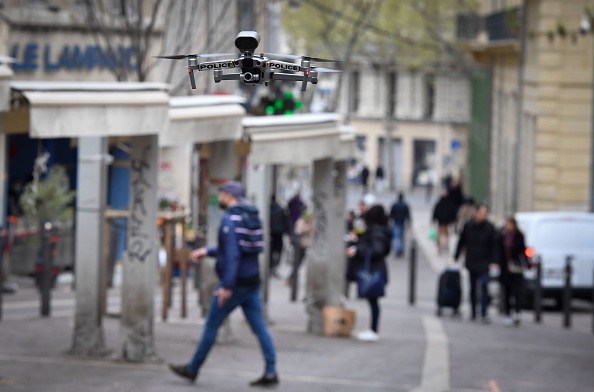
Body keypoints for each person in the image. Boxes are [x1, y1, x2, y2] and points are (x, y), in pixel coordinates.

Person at [168, 181, 279, 387]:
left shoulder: (230, 219)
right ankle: (271, 371)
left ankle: (193, 368)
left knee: (211, 324)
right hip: (252, 281)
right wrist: (208, 251)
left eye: (221, 194)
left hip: (235, 284)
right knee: (260, 327)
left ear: (228, 196)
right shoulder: (251, 215)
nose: (219, 198)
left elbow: (233, 254)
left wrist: (227, 286)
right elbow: (237, 248)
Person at [346, 205, 391, 341]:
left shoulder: (376, 231)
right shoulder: (379, 230)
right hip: (376, 269)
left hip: (373, 270)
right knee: (373, 300)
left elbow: (376, 250)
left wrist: (359, 249)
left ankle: (373, 330)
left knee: (373, 300)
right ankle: (373, 329)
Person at [453, 204, 497, 324]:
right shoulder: (468, 225)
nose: (483, 216)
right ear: (476, 213)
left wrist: (494, 261)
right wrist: (456, 256)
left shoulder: (490, 227)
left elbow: (494, 245)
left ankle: (483, 312)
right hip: (472, 261)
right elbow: (462, 241)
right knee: (472, 288)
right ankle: (473, 312)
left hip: (484, 261)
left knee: (484, 286)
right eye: (482, 213)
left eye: (485, 214)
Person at [497, 217, 527, 326]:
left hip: (516, 268)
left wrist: (526, 263)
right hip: (505, 268)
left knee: (517, 291)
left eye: (509, 224)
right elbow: (498, 250)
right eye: (506, 224)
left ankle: (517, 312)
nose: (507, 226)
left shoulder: (519, 236)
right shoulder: (502, 236)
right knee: (507, 291)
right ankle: (508, 313)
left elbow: (523, 251)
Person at [288, 210, 314, 287]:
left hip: (305, 246)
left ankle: (292, 278)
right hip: (299, 246)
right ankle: (291, 278)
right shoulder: (300, 222)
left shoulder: (309, 223)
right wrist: (308, 230)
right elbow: (298, 231)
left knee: (299, 263)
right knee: (297, 263)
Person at [269, 195, 289, 278]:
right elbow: (285, 221)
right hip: (279, 233)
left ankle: (271, 267)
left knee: (271, 251)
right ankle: (275, 267)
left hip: (270, 233)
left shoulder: (268, 209)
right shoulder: (280, 209)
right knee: (278, 251)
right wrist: (287, 231)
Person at [432, 190, 457, 254]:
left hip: (441, 222)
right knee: (446, 235)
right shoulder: (449, 204)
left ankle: (440, 246)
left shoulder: (439, 204)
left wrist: (434, 219)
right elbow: (453, 213)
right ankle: (445, 245)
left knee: (440, 235)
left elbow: (435, 212)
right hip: (447, 223)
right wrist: (453, 220)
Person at [389, 192, 411, 258]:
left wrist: (390, 221)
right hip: (402, 222)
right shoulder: (405, 205)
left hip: (396, 222)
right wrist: (409, 222)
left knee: (396, 237)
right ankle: (400, 250)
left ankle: (397, 250)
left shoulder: (395, 204)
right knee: (401, 238)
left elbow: (391, 214)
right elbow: (408, 215)